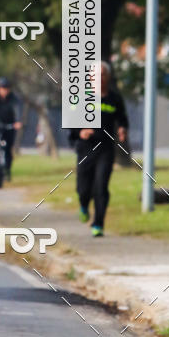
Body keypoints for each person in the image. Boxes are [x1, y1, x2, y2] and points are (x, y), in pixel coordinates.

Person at [69, 61, 128, 237]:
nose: (99, 77)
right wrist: (81, 132)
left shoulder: (114, 98)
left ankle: (98, 223)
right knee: (83, 188)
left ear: (107, 77)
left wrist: (122, 129)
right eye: (95, 74)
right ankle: (84, 204)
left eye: (102, 74)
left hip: (106, 147)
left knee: (101, 186)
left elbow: (122, 118)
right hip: (85, 148)